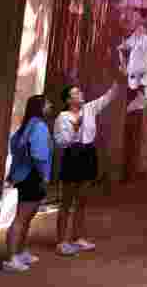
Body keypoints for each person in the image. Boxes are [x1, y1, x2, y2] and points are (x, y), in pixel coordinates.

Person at [53, 77, 121, 256]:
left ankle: (77, 238)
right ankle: (61, 241)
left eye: (80, 91)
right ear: (68, 100)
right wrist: (75, 130)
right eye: (76, 93)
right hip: (72, 155)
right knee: (66, 201)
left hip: (89, 154)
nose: (81, 94)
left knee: (82, 199)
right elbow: (60, 142)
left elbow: (109, 96)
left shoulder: (89, 108)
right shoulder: (63, 117)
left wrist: (121, 78)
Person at [3, 95, 53, 273]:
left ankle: (20, 251)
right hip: (33, 176)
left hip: (25, 175)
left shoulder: (27, 125)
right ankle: (11, 258)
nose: (50, 106)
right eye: (47, 104)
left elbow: (15, 146)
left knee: (27, 217)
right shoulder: (39, 126)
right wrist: (44, 175)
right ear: (39, 107)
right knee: (22, 218)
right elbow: (39, 155)